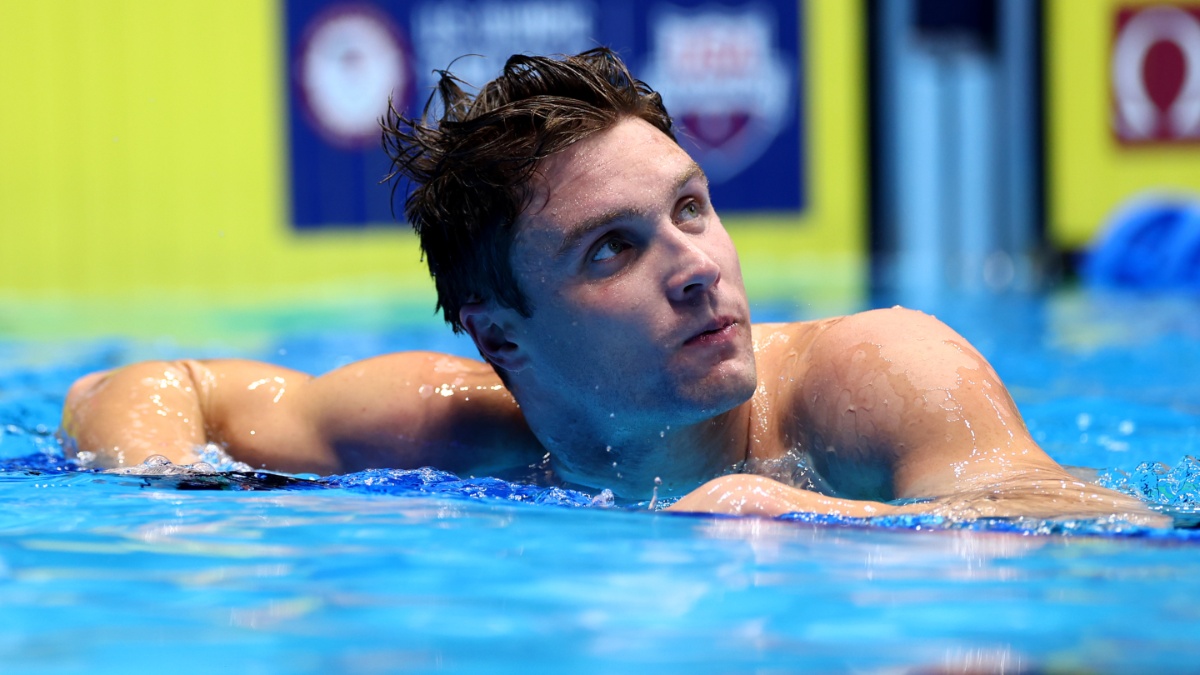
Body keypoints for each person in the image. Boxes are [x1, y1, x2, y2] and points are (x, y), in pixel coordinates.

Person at [62, 48, 1159, 524]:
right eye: (611, 250)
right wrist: (180, 514)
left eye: (691, 208)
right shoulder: (455, 424)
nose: (697, 266)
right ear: (505, 338)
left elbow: (1091, 524)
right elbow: (140, 389)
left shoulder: (879, 374)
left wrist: (817, 517)